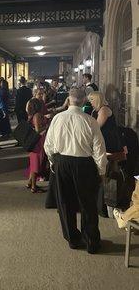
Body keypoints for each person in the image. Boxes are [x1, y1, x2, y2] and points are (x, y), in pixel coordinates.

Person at [44, 88, 107, 253]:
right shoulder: (90, 121)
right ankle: (92, 241)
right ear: (84, 101)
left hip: (62, 162)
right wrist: (102, 171)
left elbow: (48, 145)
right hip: (84, 164)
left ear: (68, 100)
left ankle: (73, 239)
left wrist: (53, 163)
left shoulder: (57, 119)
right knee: (88, 203)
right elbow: (99, 149)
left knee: (65, 203)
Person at [88, 91, 125, 216]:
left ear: (98, 99)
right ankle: (104, 204)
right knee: (106, 173)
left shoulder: (104, 110)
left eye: (92, 99)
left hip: (110, 145)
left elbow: (96, 127)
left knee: (107, 174)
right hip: (105, 144)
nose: (90, 102)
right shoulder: (98, 110)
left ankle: (107, 204)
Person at [26, 98, 47, 193]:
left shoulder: (31, 115)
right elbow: (38, 130)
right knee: (36, 163)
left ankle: (30, 182)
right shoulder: (37, 115)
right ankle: (34, 187)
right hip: (38, 141)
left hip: (33, 141)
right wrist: (47, 125)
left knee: (33, 162)